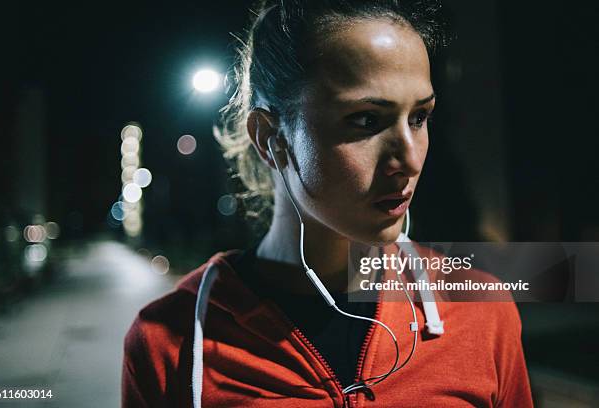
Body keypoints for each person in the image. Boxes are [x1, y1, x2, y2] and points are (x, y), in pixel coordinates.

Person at [122, 1, 534, 406]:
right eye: (366, 120)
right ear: (271, 137)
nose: (409, 159)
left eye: (419, 117)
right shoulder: (168, 343)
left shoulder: (481, 310)